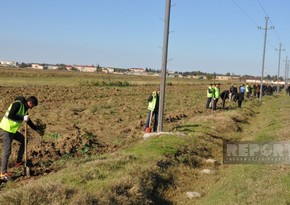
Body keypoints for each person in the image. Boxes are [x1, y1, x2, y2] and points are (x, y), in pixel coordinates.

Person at [0, 96, 42, 181]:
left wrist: (37, 129)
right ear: (29, 102)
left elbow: (28, 121)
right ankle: (3, 173)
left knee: (24, 140)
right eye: (32, 106)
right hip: (6, 129)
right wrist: (22, 118)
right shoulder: (17, 104)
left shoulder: (25, 108)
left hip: (12, 130)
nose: (32, 108)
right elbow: (11, 115)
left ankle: (18, 162)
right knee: (7, 150)